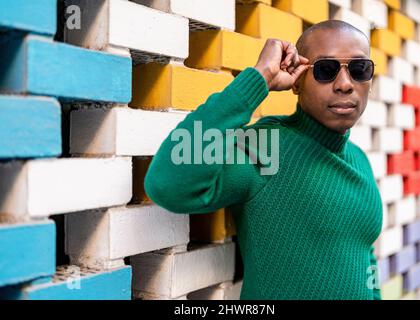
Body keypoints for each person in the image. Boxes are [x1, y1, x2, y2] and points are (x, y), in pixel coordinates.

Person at [144, 20, 383, 300]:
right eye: (325, 70)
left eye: (359, 70)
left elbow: (365, 257)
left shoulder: (360, 160)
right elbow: (167, 183)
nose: (344, 84)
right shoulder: (267, 147)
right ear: (297, 81)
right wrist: (259, 79)